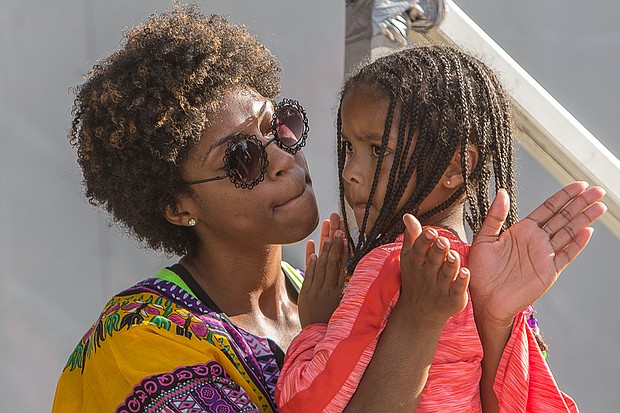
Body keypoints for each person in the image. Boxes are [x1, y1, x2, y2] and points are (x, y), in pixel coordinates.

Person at [275, 45, 607, 412]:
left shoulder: (388, 265)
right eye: (349, 148)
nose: (349, 171)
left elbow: (305, 403)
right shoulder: (478, 274)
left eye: (378, 151)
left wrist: (316, 326)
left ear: (455, 165)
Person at [51, 5, 325, 412]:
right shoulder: (137, 341)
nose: (283, 160)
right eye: (242, 159)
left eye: (277, 126)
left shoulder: (324, 291)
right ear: (179, 208)